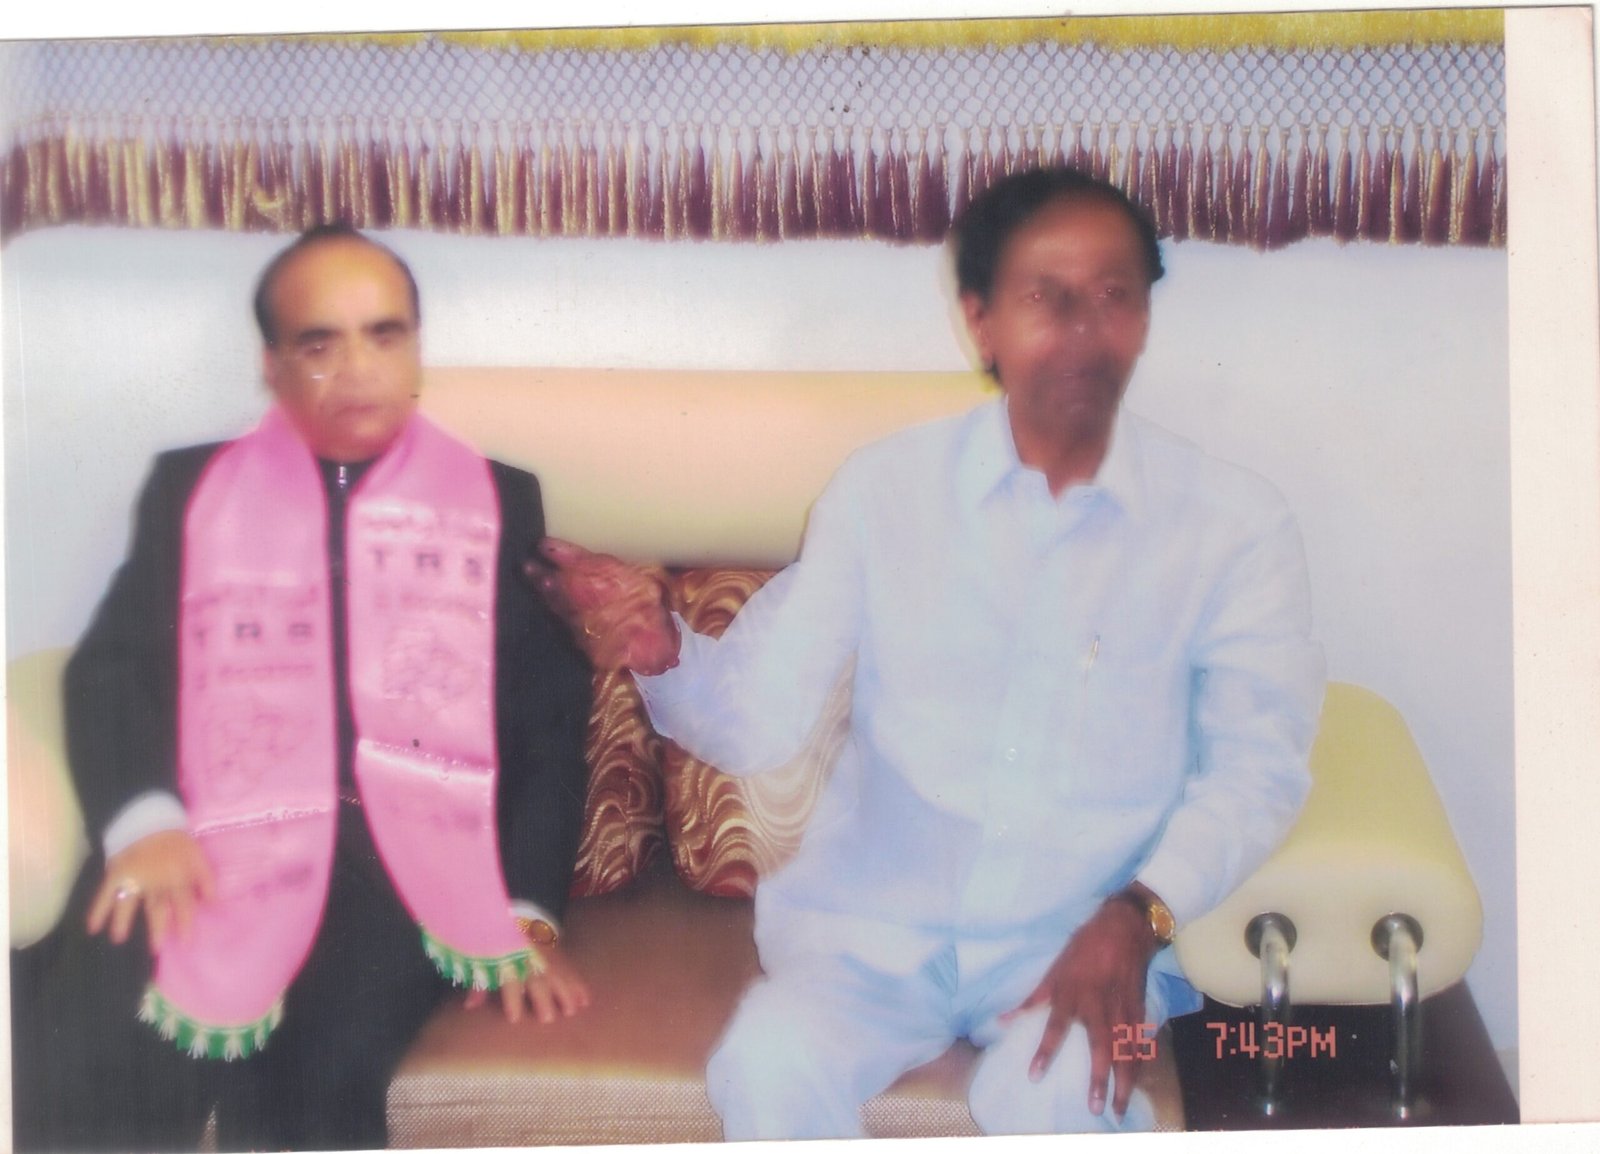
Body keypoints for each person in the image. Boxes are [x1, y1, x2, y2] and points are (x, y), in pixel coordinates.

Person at [535, 166, 1326, 1137]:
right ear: (979, 320)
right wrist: (660, 648)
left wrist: (1141, 914)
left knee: (1062, 1096)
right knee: (766, 1064)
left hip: (1085, 936)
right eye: (1044, 297)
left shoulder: (1234, 526)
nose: (1082, 330)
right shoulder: (883, 492)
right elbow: (762, 716)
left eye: (1113, 295)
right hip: (869, 934)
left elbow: (1258, 770)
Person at [12, 224, 594, 1152]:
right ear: (272, 365)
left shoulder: (496, 500)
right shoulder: (194, 490)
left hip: (395, 859)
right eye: (320, 344)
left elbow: (546, 724)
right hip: (208, 837)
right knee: (93, 1053)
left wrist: (527, 913)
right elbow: (113, 668)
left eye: (384, 335)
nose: (358, 369)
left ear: (416, 352)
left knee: (316, 1086)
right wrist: (147, 824)